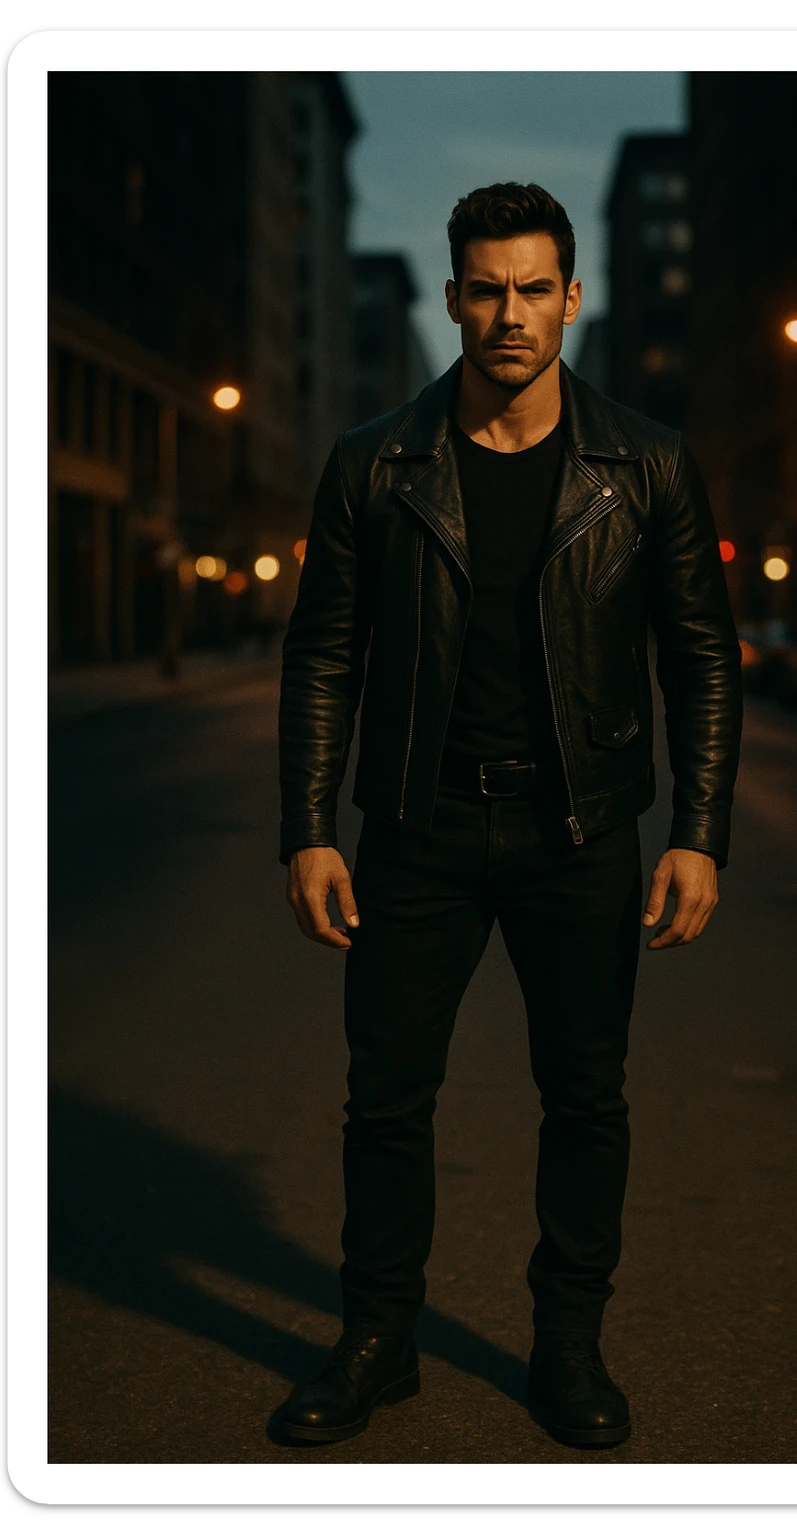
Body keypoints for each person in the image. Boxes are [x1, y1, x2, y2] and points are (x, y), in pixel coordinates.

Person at [276, 183, 742, 1448]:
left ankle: (568, 1345)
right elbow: (324, 652)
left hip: (578, 833)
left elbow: (701, 653)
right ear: (451, 300)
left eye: (534, 288)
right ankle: (377, 1340)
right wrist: (308, 825)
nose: (509, 316)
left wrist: (696, 831)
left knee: (585, 1099)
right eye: (485, 289)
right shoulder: (376, 463)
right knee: (384, 1102)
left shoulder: (642, 464)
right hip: (415, 833)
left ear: (571, 298)